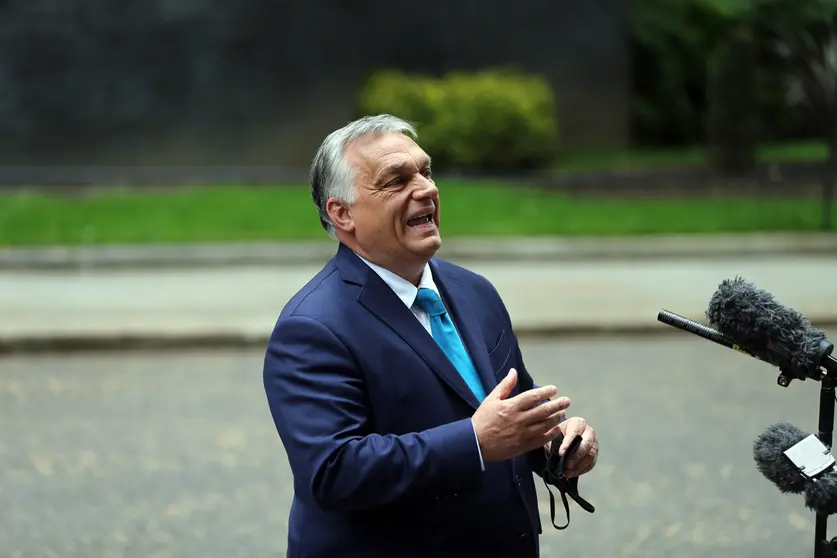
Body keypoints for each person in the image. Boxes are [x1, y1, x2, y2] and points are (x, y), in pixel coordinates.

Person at [262, 114, 598, 558]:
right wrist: (475, 442)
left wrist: (555, 445)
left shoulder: (473, 290)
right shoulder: (312, 328)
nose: (426, 189)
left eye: (426, 171)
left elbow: (511, 412)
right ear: (341, 212)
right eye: (397, 180)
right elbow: (334, 472)